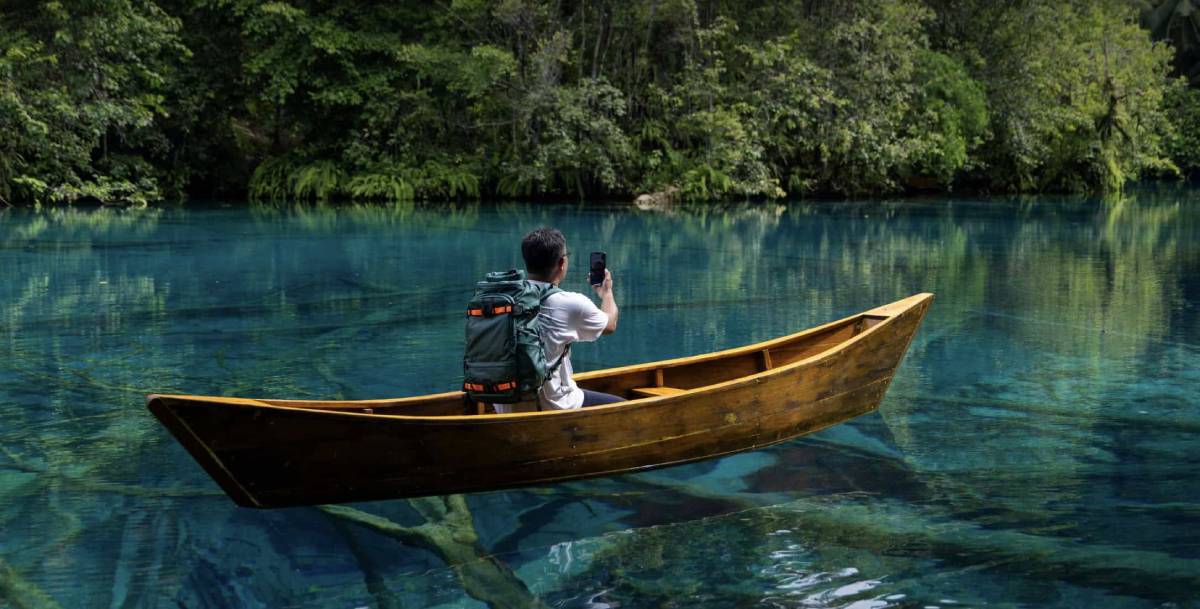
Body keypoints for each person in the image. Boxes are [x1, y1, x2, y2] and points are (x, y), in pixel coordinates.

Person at [522, 227, 622, 410]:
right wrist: (606, 294)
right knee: (623, 407)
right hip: (552, 405)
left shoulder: (508, 298)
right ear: (562, 262)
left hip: (506, 404)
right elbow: (610, 324)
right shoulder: (569, 303)